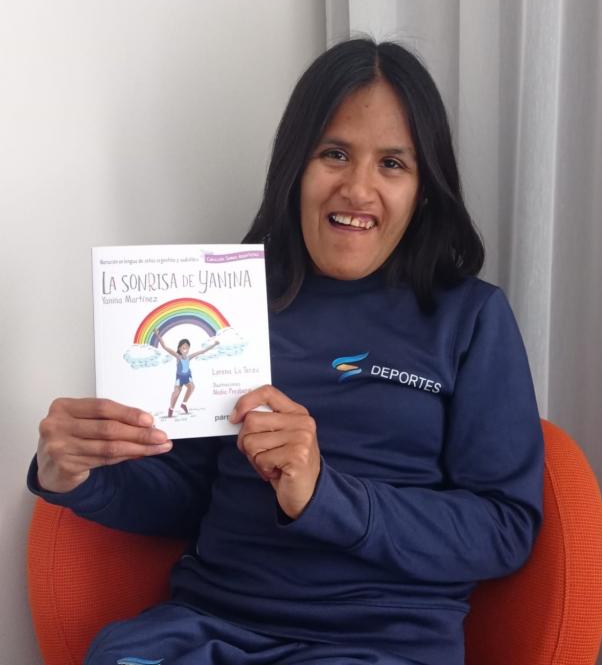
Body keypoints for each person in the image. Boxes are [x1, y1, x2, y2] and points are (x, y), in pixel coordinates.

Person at [28, 38, 544, 665]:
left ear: (424, 189)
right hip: (209, 625)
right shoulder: (234, 305)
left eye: (392, 164)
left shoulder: (470, 319)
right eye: (334, 154)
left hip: (376, 645)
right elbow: (191, 497)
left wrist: (327, 496)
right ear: (295, 166)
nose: (358, 188)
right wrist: (78, 476)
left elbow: (503, 529)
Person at [154, 331, 220, 416]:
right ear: (180, 349)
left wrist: (214, 344)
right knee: (176, 393)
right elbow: (165, 347)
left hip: (187, 376)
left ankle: (183, 404)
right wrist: (157, 335)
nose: (185, 350)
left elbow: (202, 351)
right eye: (183, 348)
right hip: (180, 378)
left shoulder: (189, 357)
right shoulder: (178, 356)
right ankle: (171, 408)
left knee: (192, 386)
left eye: (187, 348)